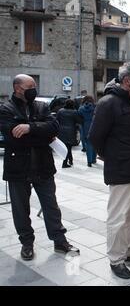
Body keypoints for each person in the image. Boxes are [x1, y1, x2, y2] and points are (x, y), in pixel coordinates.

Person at [0, 74, 80, 261]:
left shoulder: (42, 106)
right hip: (18, 168)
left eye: (34, 85)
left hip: (43, 166)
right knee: (21, 209)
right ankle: (27, 243)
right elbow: (12, 136)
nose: (33, 89)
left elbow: (54, 127)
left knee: (51, 205)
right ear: (18, 88)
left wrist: (29, 128)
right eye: (30, 86)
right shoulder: (5, 109)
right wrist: (41, 133)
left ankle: (59, 240)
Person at [89, 63, 130, 280]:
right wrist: (109, 156)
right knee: (118, 217)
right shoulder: (108, 103)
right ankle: (116, 259)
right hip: (121, 169)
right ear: (127, 80)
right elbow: (95, 137)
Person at [56, 99, 82, 168]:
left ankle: (70, 160)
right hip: (71, 131)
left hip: (61, 131)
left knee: (66, 147)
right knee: (68, 147)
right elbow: (79, 121)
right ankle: (64, 163)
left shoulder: (60, 111)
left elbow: (56, 120)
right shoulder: (74, 112)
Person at [78, 95, 96, 167]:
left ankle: (89, 162)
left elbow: (79, 118)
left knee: (88, 144)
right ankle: (94, 159)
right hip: (95, 126)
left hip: (85, 126)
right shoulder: (95, 107)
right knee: (95, 143)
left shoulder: (81, 108)